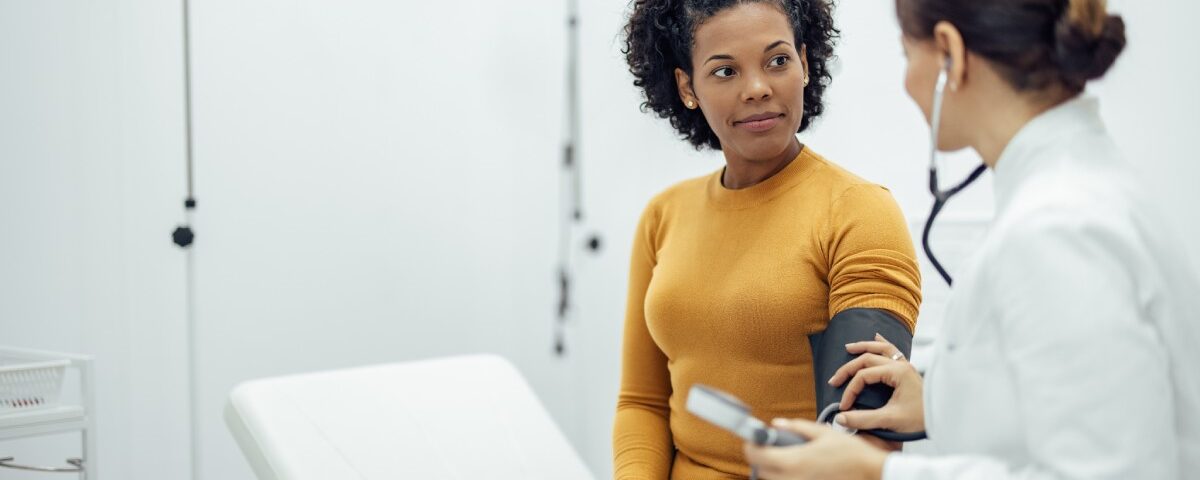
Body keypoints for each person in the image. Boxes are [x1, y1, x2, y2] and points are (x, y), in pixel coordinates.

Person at [743, 0, 1200, 478]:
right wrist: (941, 401)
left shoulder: (1058, 229)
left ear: (950, 54)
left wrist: (877, 473)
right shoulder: (1079, 191)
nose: (906, 83)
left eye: (906, 55)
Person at [614, 1, 924, 478]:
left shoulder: (859, 213)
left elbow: (863, 440)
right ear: (686, 86)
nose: (757, 89)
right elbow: (642, 402)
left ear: (804, 63)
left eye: (778, 60)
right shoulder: (663, 215)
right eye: (724, 71)